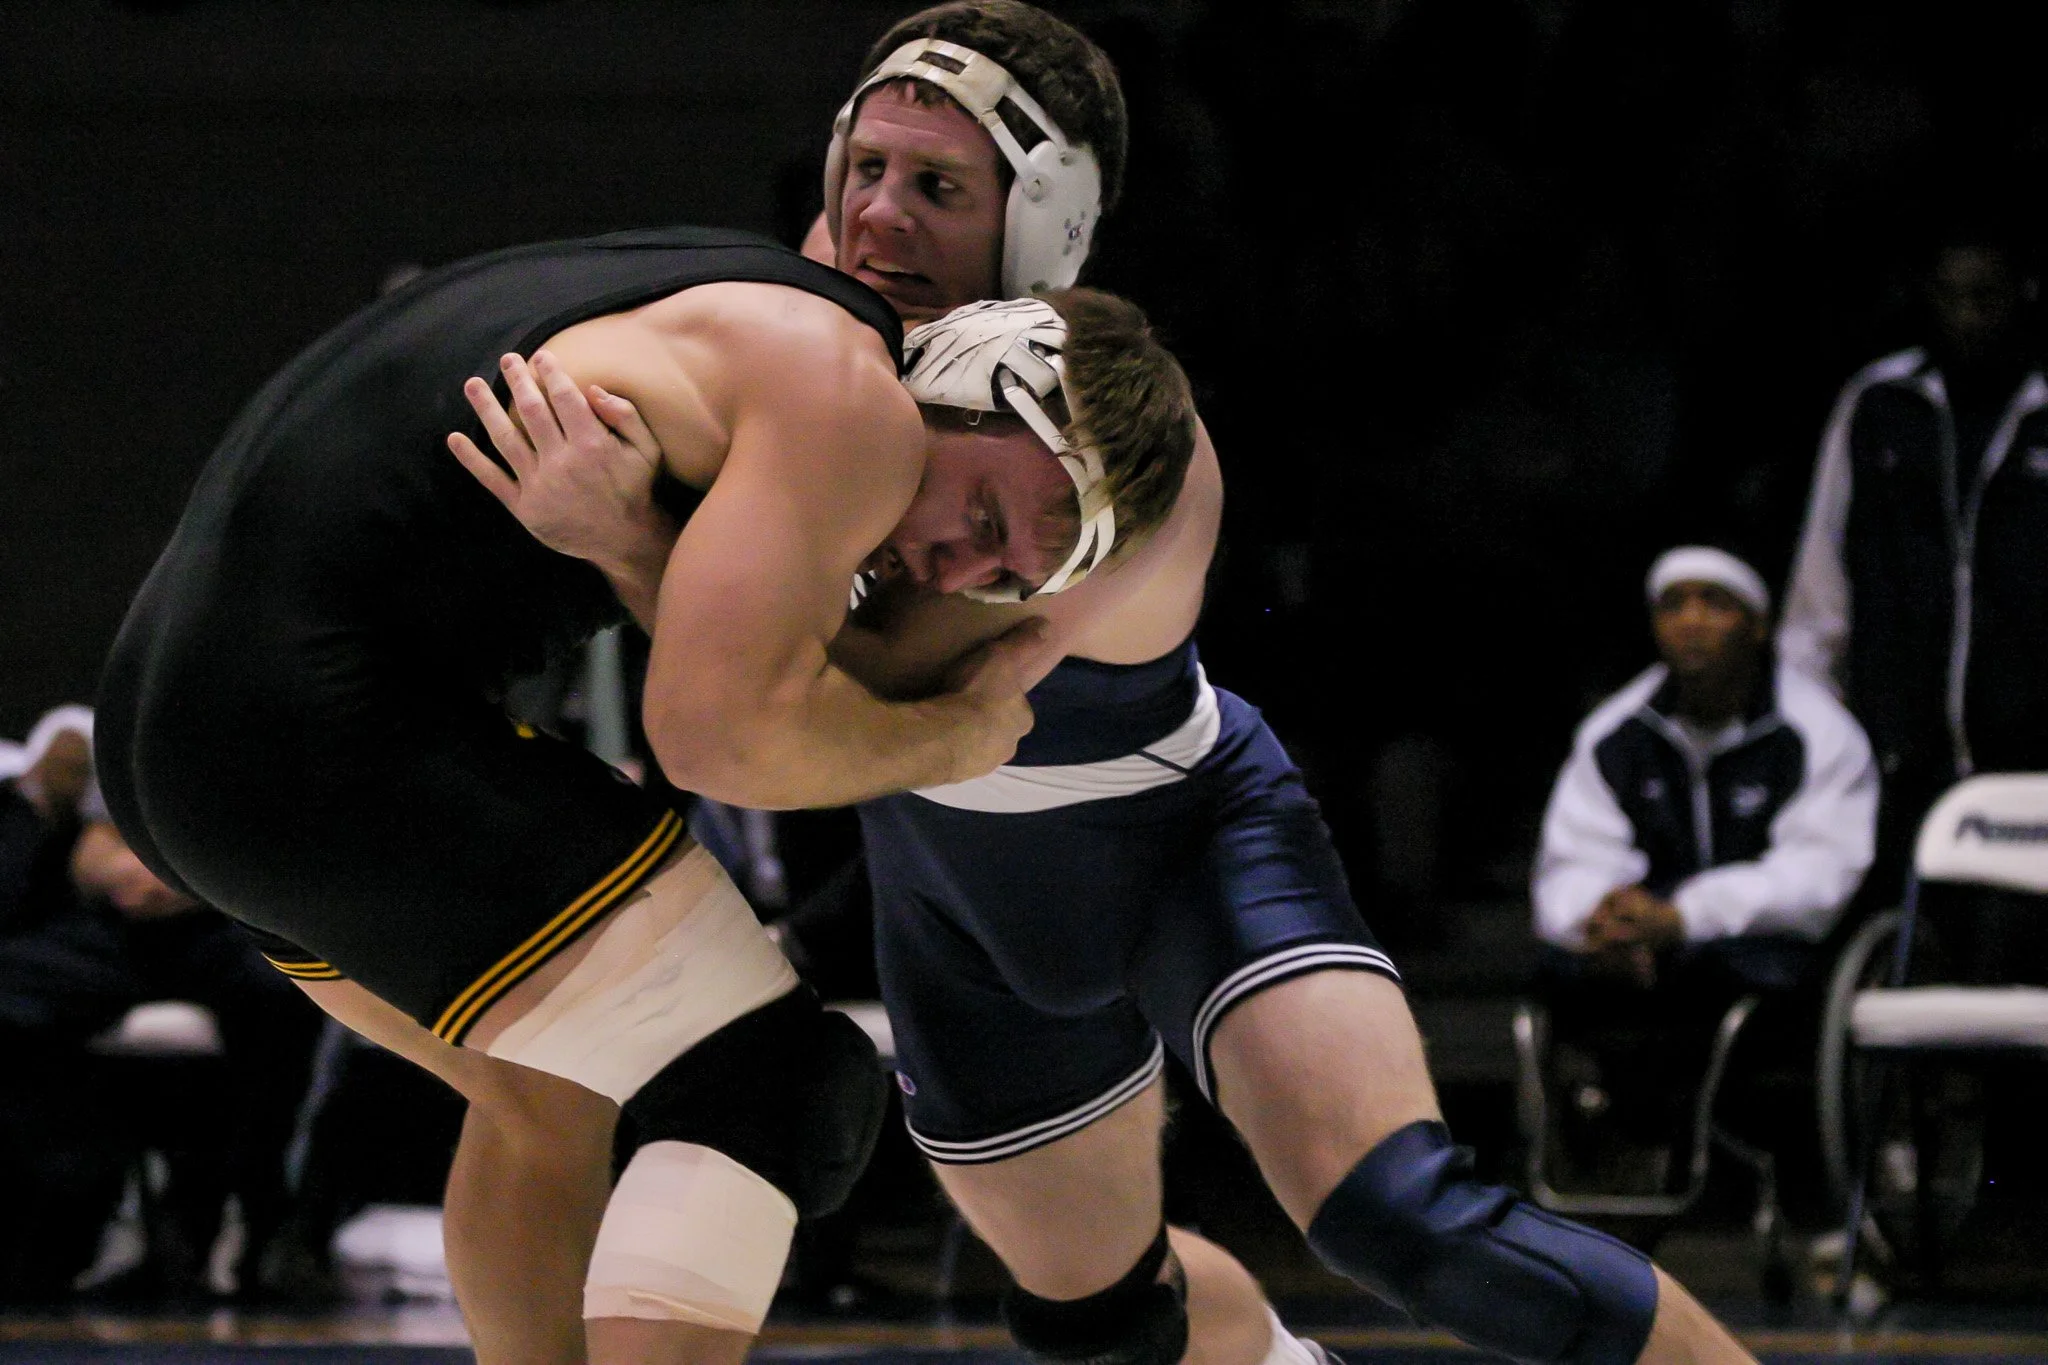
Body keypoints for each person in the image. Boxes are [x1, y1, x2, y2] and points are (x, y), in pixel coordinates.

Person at [473, 6, 1760, 1364]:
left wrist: (630, 539)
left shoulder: (1087, 430)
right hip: (956, 903)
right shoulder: (811, 346)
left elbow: (788, 689)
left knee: (1408, 1220)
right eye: (869, 169)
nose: (878, 220)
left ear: (1044, 231)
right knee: (1102, 1318)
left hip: (1179, 848)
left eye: (939, 190)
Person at [95, 222, 1151, 1364]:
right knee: (779, 1091)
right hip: (319, 736)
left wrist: (634, 539)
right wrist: (955, 740)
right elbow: (721, 742)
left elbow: (803, 661)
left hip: (177, 743)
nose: (954, 569)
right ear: (961, 379)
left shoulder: (723, 297)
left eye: (1002, 574)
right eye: (982, 520)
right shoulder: (854, 405)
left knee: (545, 1100)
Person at [1531, 546, 1876, 1182]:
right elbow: (1574, 855)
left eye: (1714, 604)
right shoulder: (1615, 732)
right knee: (1562, 968)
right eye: (1673, 604)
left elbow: (1818, 876)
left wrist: (1684, 916)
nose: (1691, 620)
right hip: (1643, 949)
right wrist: (1599, 913)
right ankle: (1611, 1159)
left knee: (1744, 974)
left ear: (1758, 624)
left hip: (1762, 946)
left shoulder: (1819, 732)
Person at [1779, 218, 2048, 901]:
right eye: (1950, 296)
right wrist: (1812, 730)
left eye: (1986, 296)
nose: (1968, 316)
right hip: (1899, 752)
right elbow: (1821, 595)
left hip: (2031, 756)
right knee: (1908, 948)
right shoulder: (1880, 406)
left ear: (2025, 293)